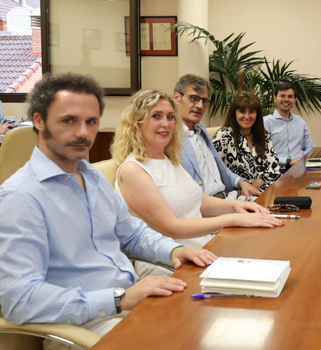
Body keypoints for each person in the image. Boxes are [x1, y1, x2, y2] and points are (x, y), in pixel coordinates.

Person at [0, 73, 216, 347]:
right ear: (39, 121)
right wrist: (118, 299)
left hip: (129, 306)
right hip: (83, 327)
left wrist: (173, 250)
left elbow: (133, 235)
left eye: (91, 122)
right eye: (69, 120)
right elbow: (20, 299)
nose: (83, 132)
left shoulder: (92, 177)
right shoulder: (20, 197)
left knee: (210, 325)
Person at [112, 89, 282, 250]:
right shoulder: (132, 170)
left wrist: (235, 206)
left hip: (203, 245)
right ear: (136, 122)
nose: (166, 124)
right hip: (173, 258)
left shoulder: (169, 160)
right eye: (156, 116)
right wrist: (234, 219)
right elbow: (172, 228)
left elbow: (198, 200)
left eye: (170, 117)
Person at [173, 74, 258, 199]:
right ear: (176, 97)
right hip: (205, 207)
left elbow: (221, 168)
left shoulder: (201, 130)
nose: (200, 106)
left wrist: (241, 182)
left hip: (228, 196)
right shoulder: (170, 137)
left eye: (204, 101)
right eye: (194, 98)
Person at [213, 92, 281, 192]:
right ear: (234, 113)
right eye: (242, 111)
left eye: (252, 112)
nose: (247, 116)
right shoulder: (224, 135)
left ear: (257, 115)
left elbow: (274, 168)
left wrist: (260, 180)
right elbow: (214, 168)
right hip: (236, 194)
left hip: (263, 190)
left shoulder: (264, 136)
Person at [263, 81, 315, 172]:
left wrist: (301, 160)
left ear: (294, 100)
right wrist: (288, 162)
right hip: (275, 170)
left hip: (299, 170)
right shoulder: (266, 122)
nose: (286, 99)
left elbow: (310, 146)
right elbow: (263, 153)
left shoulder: (300, 122)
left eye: (290, 96)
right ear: (275, 98)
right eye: (282, 96)